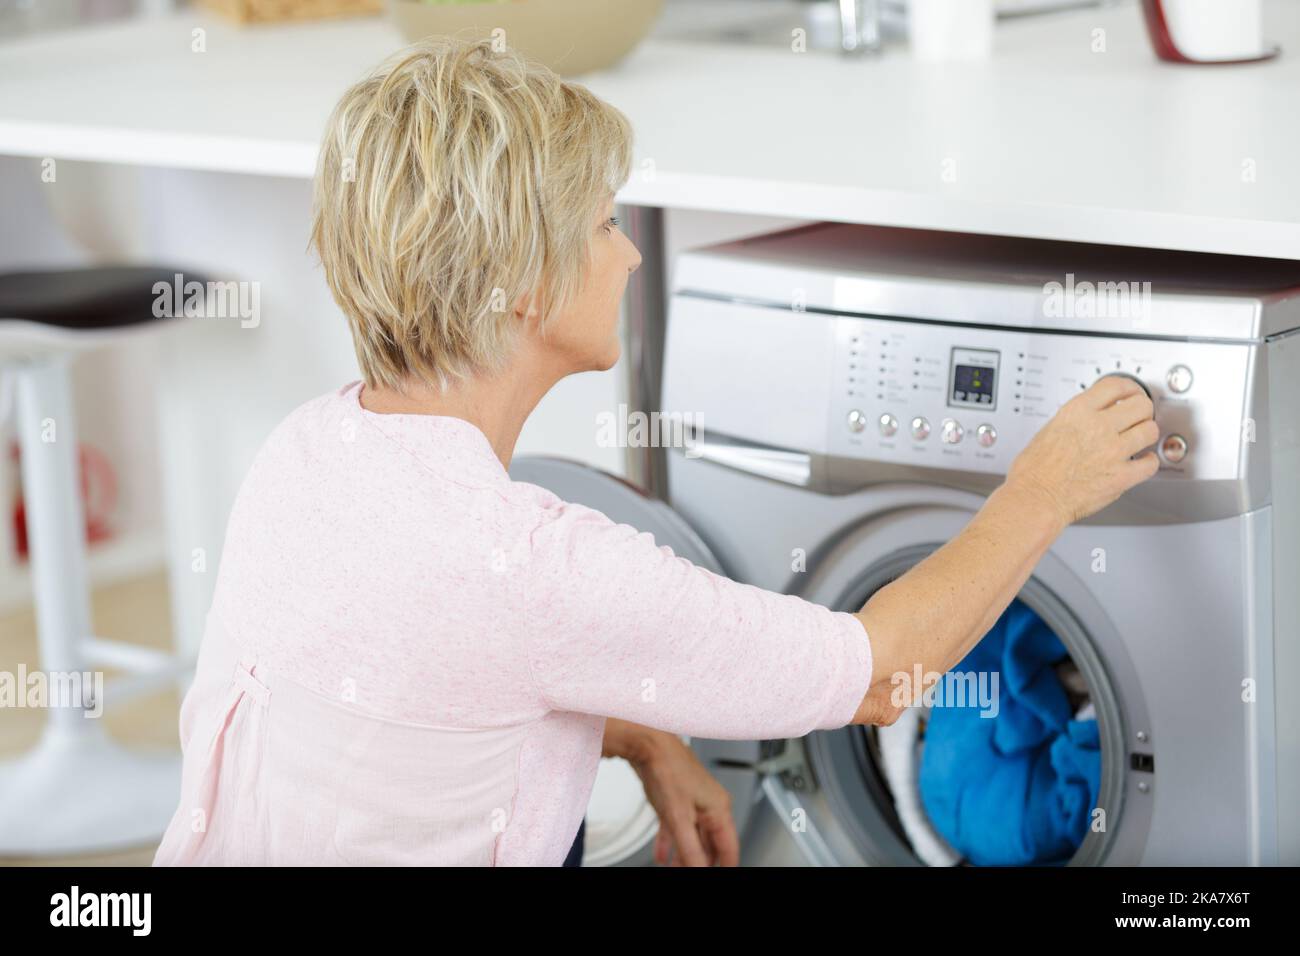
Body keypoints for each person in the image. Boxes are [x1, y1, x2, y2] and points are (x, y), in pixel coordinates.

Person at [153, 37, 1158, 867]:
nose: (630, 252)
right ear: (521, 283)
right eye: (601, 224)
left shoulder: (305, 449)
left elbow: (435, 678)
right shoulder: (541, 566)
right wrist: (1041, 488)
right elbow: (880, 676)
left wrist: (640, 731)